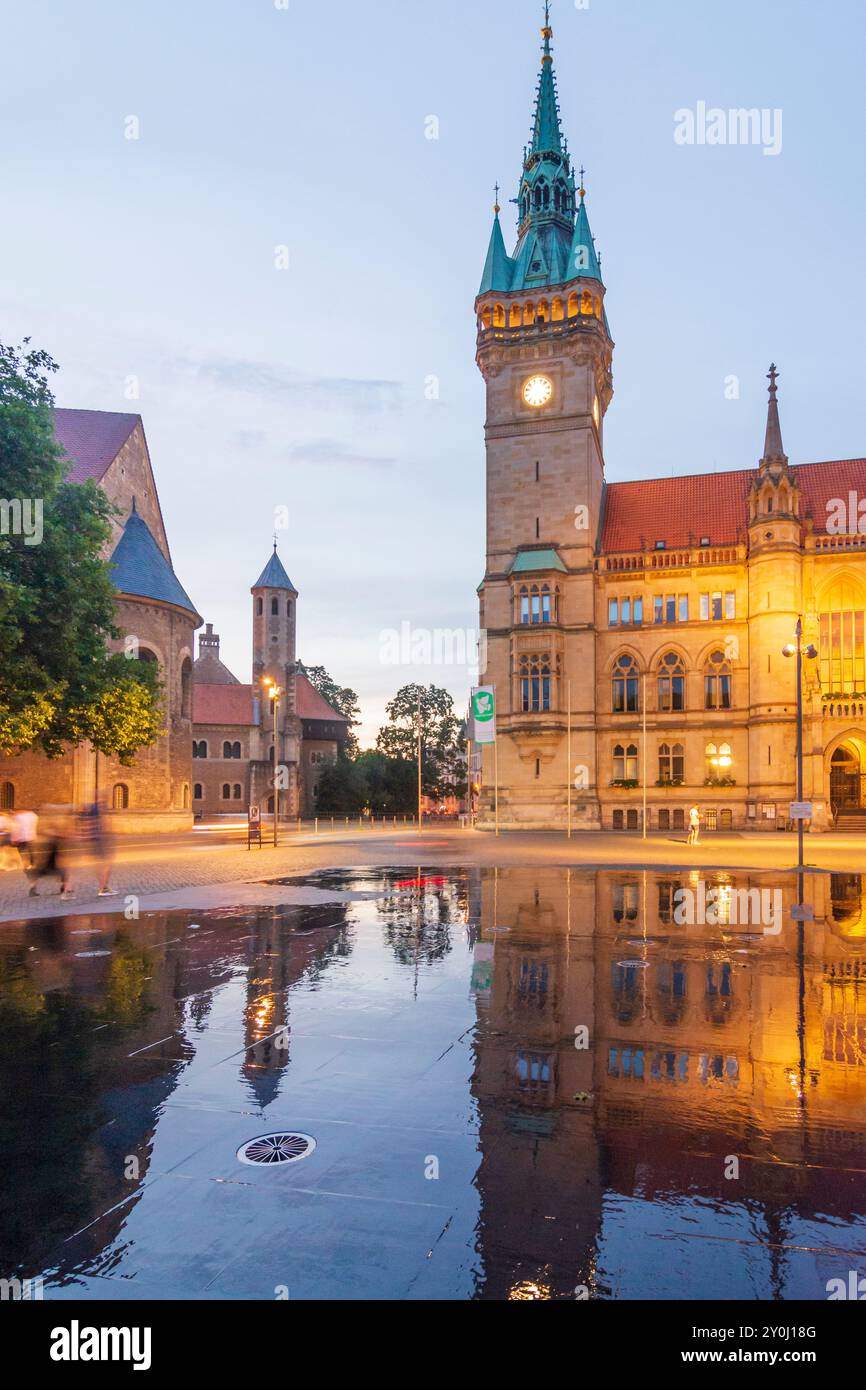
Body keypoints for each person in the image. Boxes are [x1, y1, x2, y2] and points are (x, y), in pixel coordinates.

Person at [28, 805, 74, 898]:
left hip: (52, 848)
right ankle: (33, 888)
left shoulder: (48, 820)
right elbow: (46, 832)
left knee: (58, 869)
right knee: (44, 869)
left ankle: (64, 887)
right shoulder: (45, 821)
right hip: (48, 849)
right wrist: (60, 835)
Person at [77, 797, 116, 896]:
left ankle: (104, 887)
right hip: (99, 841)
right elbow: (103, 825)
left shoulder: (92, 810)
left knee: (102, 864)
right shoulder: (97, 810)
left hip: (96, 840)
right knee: (105, 864)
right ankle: (103, 888)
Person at [11, 807, 37, 872]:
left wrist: (14, 838)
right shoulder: (33, 815)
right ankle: (32, 864)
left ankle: (25, 864)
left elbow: (16, 828)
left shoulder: (18, 816)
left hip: (21, 837)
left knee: (22, 851)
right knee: (31, 851)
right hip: (31, 836)